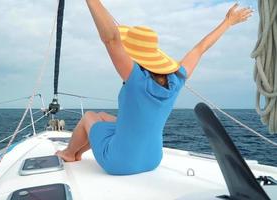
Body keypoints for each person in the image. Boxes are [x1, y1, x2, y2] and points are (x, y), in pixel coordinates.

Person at [56, 1, 253, 175]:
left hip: (119, 163)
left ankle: (70, 153)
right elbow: (199, 49)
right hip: (153, 160)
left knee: (89, 117)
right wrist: (227, 22)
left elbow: (111, 39)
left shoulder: (135, 79)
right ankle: (80, 151)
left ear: (134, 57)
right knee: (106, 118)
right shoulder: (176, 79)